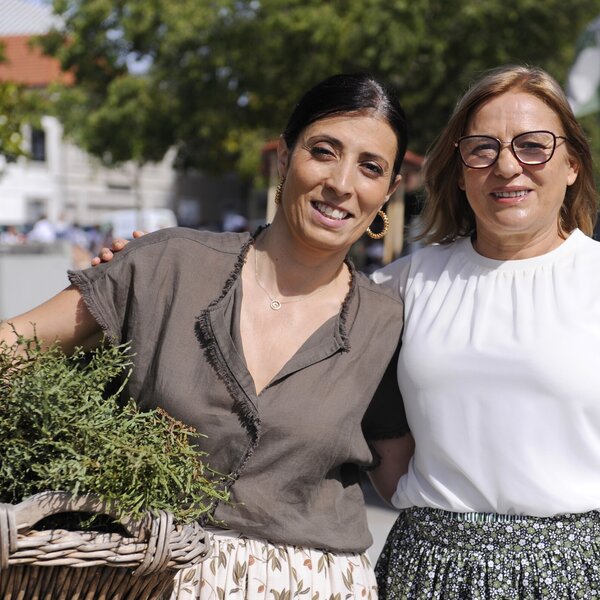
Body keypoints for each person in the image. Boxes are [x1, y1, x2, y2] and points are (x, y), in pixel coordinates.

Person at [0, 73, 413, 599]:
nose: (342, 183)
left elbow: (410, 479)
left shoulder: (387, 322)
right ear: (284, 158)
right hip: (146, 580)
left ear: (389, 191)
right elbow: (14, 348)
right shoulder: (167, 266)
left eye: (370, 167)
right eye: (323, 151)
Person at [371, 64, 600, 598]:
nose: (507, 166)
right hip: (426, 571)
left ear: (571, 164)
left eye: (533, 146)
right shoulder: (401, 285)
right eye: (482, 149)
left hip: (578, 575)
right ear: (460, 170)